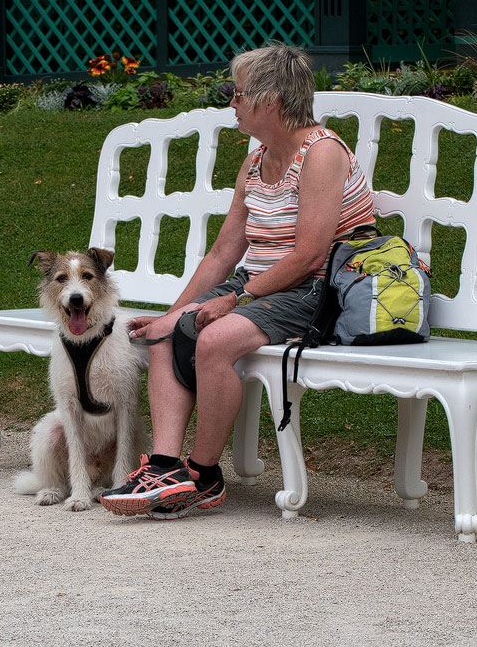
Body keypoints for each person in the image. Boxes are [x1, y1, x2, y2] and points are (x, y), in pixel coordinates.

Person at [99, 42, 375, 520]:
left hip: (314, 287)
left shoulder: (322, 153)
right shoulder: (255, 161)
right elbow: (225, 251)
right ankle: (166, 468)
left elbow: (310, 253)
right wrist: (172, 314)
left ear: (270, 101)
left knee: (215, 340)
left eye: (238, 94)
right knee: (165, 332)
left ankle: (204, 476)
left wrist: (237, 300)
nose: (232, 103)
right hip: (261, 280)